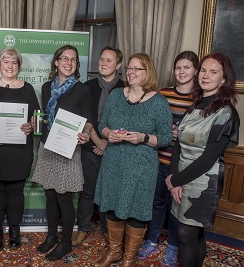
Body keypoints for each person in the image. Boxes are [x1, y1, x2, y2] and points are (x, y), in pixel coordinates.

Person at [94, 53, 172, 267]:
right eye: (129, 68)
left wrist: (143, 137)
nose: (131, 72)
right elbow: (102, 125)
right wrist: (108, 133)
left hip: (141, 167)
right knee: (112, 206)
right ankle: (114, 252)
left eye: (138, 68)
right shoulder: (117, 95)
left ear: (149, 72)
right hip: (114, 162)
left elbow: (166, 138)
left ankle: (129, 258)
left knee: (137, 210)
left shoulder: (158, 102)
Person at [166, 53, 240, 267]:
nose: (206, 76)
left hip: (203, 182)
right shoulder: (195, 105)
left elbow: (208, 159)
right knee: (194, 234)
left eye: (213, 72)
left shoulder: (225, 113)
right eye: (204, 70)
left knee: (186, 233)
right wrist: (174, 178)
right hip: (181, 177)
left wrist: (176, 180)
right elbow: (178, 144)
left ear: (224, 79)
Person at [137, 51, 199, 266]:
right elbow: (151, 124)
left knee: (177, 208)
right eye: (178, 67)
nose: (182, 72)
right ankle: (152, 241)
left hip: (184, 166)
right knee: (157, 203)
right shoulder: (162, 93)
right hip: (159, 159)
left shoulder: (200, 97)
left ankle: (173, 247)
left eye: (187, 68)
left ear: (195, 71)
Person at [32, 45, 92, 261]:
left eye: (73, 60)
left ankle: (65, 242)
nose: (68, 62)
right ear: (56, 62)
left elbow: (88, 122)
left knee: (64, 199)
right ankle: (51, 236)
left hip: (68, 150)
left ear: (76, 65)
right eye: (64, 58)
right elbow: (46, 117)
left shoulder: (82, 90)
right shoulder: (47, 87)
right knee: (49, 195)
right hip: (48, 146)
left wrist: (85, 135)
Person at [0, 47, 40, 252]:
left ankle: (14, 230)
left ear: (19, 66)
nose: (10, 66)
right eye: (6, 62)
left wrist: (32, 126)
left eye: (14, 63)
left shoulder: (28, 89)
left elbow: (36, 119)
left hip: (19, 150)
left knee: (15, 193)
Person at [72, 46, 125, 247]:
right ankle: (83, 228)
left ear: (118, 65)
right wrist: (98, 141)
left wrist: (108, 144)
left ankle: (107, 228)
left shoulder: (125, 88)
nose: (103, 63)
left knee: (110, 190)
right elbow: (85, 118)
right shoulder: (88, 86)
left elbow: (127, 122)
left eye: (109, 60)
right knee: (87, 191)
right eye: (102, 59)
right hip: (90, 146)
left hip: (116, 148)